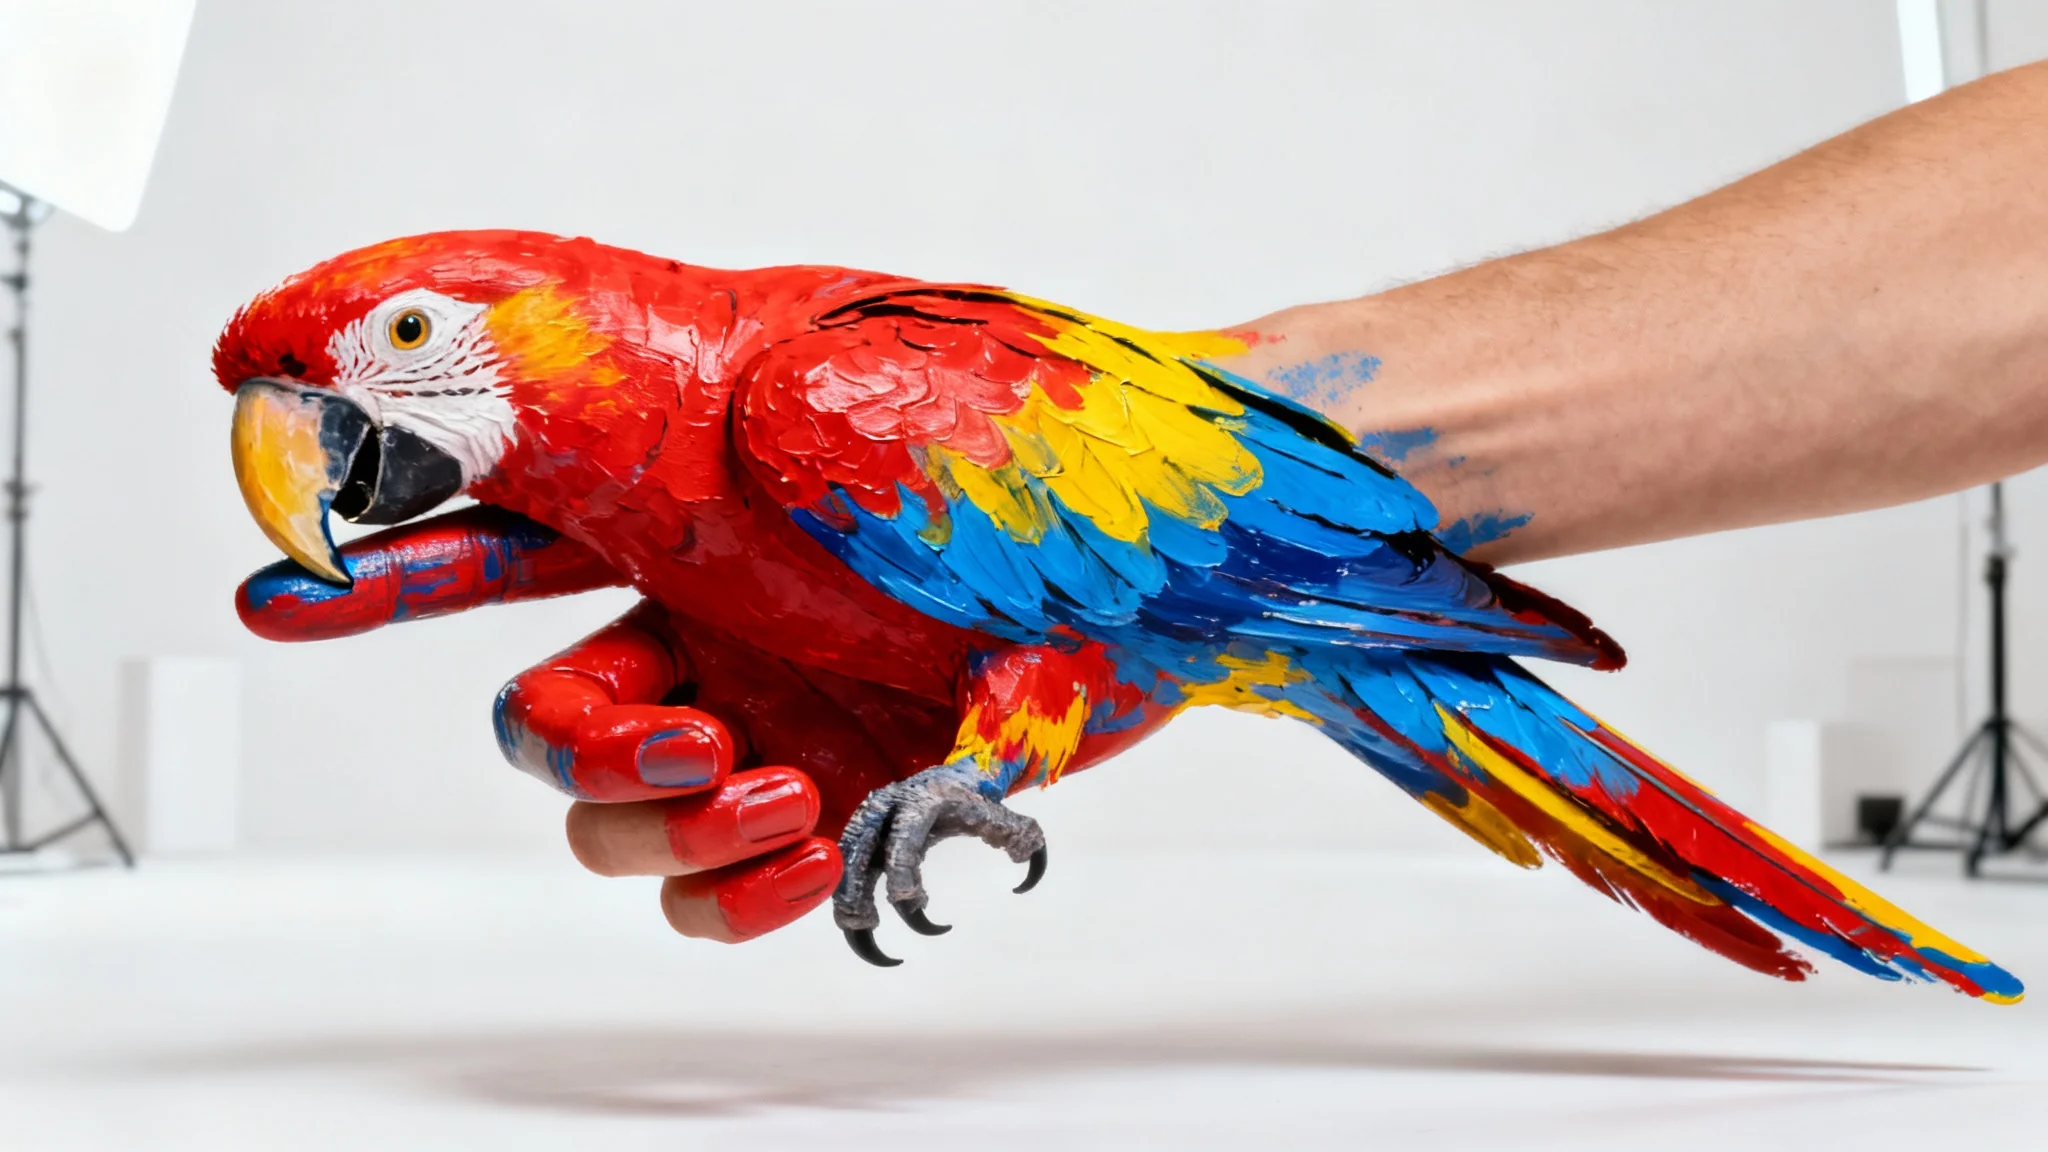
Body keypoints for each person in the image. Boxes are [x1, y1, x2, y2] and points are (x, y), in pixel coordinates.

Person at [284, 61, 2048, 944]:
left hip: (1272, 588)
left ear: (561, 308)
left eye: (413, 339)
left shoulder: (811, 386)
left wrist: (980, 758)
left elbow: (1110, 585)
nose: (329, 422)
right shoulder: (652, 486)